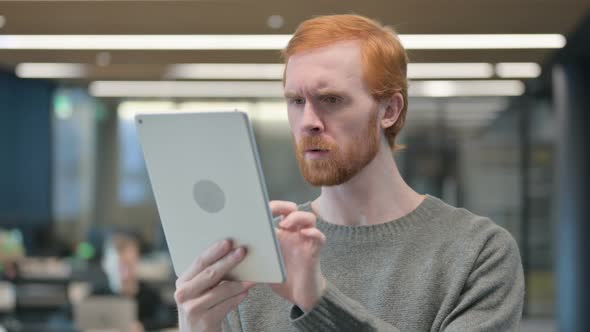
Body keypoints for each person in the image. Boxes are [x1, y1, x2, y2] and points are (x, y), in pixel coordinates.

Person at [174, 14, 524, 331]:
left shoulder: (477, 251)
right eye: (296, 101)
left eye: (331, 100)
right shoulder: (260, 254)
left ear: (389, 109)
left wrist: (318, 300)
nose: (308, 121)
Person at [98, 229, 172, 331]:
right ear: (105, 265)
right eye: (118, 266)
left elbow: (168, 319)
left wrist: (143, 326)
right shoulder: (96, 296)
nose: (124, 274)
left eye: (128, 265)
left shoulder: (150, 297)